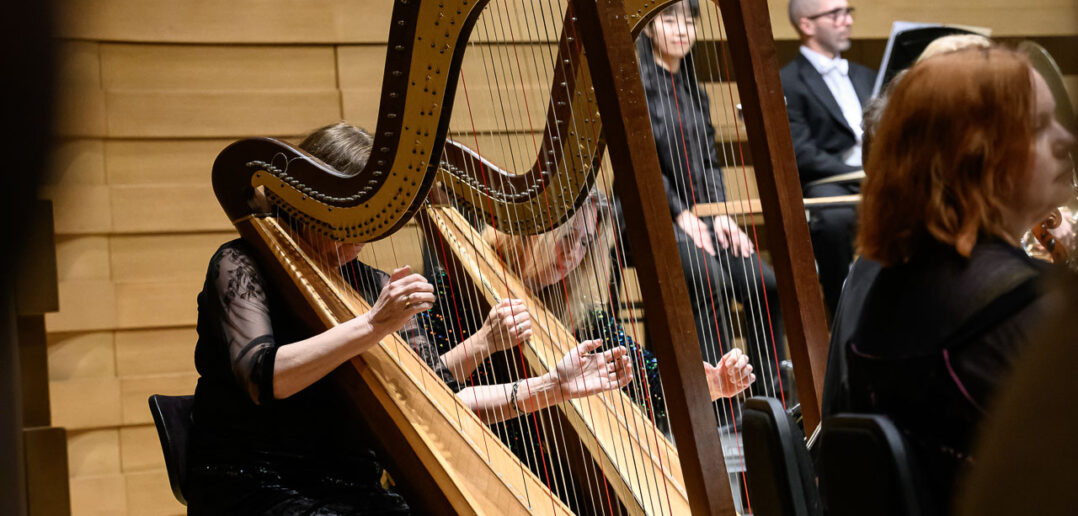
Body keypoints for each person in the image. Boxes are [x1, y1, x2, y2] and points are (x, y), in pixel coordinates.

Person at [185, 122, 636, 515]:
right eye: (351, 223)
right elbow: (265, 377)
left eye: (369, 226)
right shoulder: (240, 264)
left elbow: (440, 393)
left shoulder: (371, 283)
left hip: (349, 485)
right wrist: (374, 325)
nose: (359, 241)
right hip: (255, 483)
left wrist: (551, 386)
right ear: (315, 202)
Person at [846, 47, 1075, 513]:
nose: (1066, 138)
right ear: (972, 155)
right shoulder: (1023, 307)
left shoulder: (890, 286)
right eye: (1037, 127)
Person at [634, 0, 788, 400]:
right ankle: (716, 403)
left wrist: (720, 215)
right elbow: (641, 164)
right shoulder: (633, 88)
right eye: (670, 18)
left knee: (765, 282)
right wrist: (680, 213)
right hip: (651, 215)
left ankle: (774, 395)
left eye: (690, 20)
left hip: (704, 217)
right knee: (709, 278)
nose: (683, 28)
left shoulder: (695, 91)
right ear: (648, 27)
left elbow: (710, 163)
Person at [780, 0, 875, 316]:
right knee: (834, 219)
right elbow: (802, 152)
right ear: (807, 25)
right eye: (836, 14)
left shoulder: (866, 75)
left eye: (848, 12)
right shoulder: (789, 81)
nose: (847, 21)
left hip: (876, 176)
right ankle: (840, 312)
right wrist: (857, 173)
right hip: (828, 181)